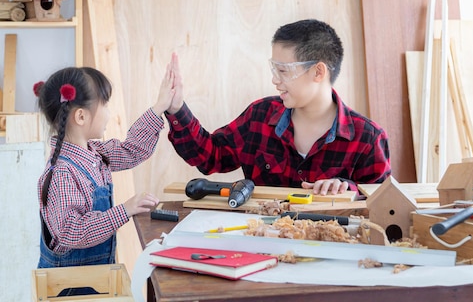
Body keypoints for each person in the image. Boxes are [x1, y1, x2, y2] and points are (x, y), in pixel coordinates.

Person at [165, 19, 391, 195]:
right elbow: (210, 156)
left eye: (284, 71)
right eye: (274, 69)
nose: (275, 80)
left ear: (318, 72)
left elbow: (382, 205)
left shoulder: (368, 139)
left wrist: (347, 189)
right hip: (262, 244)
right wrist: (176, 109)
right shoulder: (260, 116)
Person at [34, 63, 175, 270]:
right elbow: (71, 231)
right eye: (105, 105)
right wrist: (124, 211)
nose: (109, 113)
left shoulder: (96, 154)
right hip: (68, 287)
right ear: (81, 116)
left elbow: (131, 149)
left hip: (94, 275)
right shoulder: (63, 173)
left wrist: (159, 108)